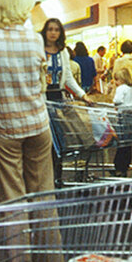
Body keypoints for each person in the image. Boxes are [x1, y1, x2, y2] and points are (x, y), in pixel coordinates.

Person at [0, 0, 57, 203]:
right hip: (37, 123)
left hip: (5, 126)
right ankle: (47, 236)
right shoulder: (36, 40)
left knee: (11, 196)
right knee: (43, 193)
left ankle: (16, 236)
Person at [41, 17, 88, 186]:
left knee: (59, 141)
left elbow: (68, 77)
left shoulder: (63, 52)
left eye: (56, 30)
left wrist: (82, 95)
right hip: (41, 100)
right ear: (45, 32)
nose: (53, 33)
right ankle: (45, 177)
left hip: (58, 99)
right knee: (44, 141)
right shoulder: (38, 51)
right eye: (50, 29)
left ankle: (56, 176)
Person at [111, 66, 132, 175]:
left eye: (117, 80)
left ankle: (118, 165)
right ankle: (126, 164)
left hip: (122, 114)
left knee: (121, 141)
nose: (115, 82)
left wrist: (114, 103)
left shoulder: (121, 89)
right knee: (128, 141)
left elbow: (117, 100)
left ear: (122, 80)